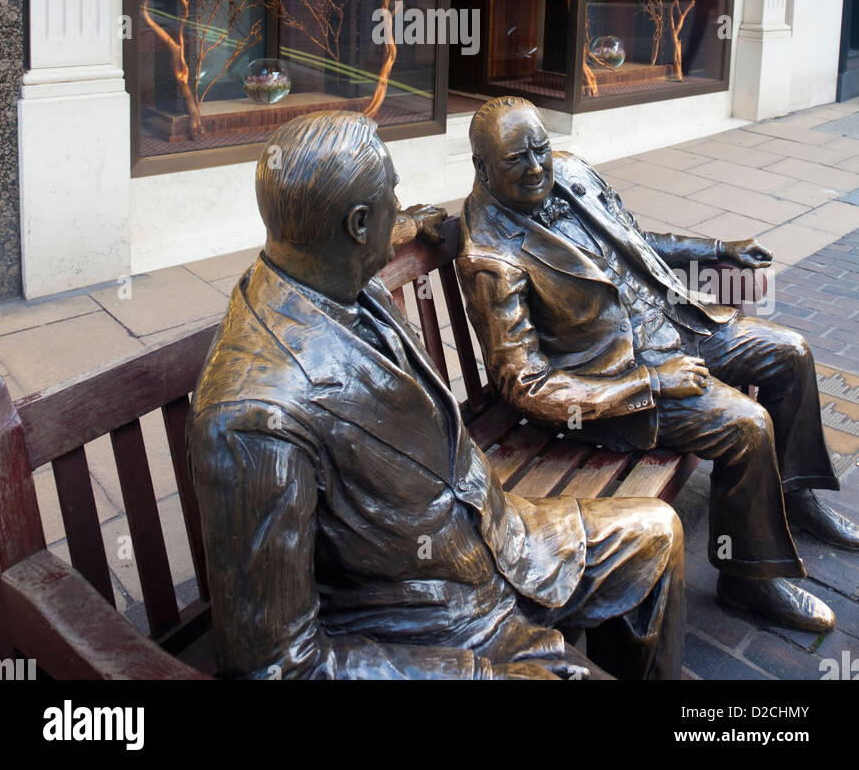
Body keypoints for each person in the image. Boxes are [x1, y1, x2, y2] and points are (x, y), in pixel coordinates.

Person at [187, 109, 685, 680]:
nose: (399, 210)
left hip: (504, 534)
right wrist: (479, 676)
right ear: (355, 226)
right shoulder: (252, 416)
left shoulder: (321, 265)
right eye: (391, 200)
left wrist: (406, 225)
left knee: (660, 533)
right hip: (434, 622)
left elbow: (378, 228)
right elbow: (276, 665)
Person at [457, 95, 859, 635]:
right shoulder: (488, 255)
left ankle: (791, 494)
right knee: (746, 425)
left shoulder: (570, 171)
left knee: (790, 353)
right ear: (482, 169)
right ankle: (746, 577)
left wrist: (717, 248)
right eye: (516, 160)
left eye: (540, 149)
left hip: (676, 325)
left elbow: (638, 243)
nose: (537, 168)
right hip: (613, 380)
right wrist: (648, 382)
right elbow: (527, 386)